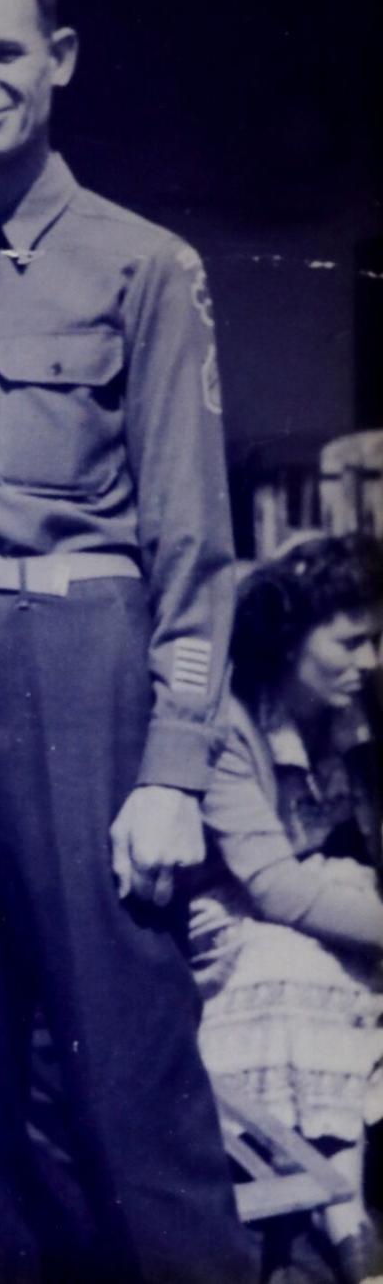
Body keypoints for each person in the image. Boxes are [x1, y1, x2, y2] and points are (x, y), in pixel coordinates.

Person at [0, 0, 258, 1283]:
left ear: (60, 60)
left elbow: (198, 551)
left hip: (85, 678)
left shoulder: (147, 267)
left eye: (6, 50)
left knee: (130, 1090)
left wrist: (173, 771)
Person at [189, 534, 383, 1284]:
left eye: (377, 639)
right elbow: (273, 886)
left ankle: (348, 1218)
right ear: (292, 638)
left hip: (308, 902)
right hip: (228, 919)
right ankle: (346, 1221)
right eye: (351, 641)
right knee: (306, 964)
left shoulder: (351, 717)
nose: (369, 660)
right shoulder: (235, 723)